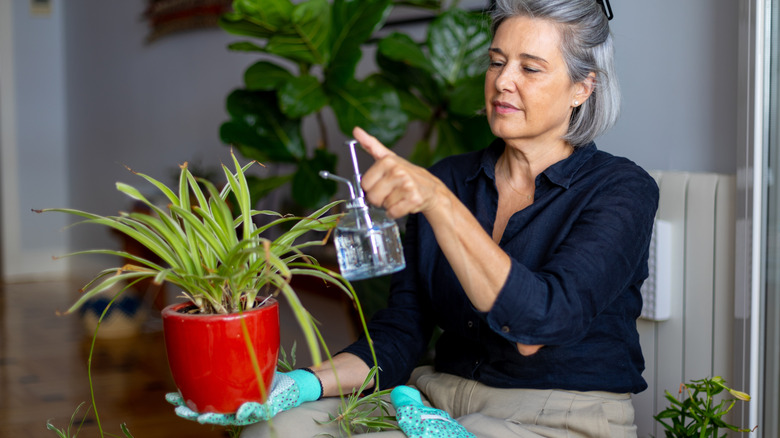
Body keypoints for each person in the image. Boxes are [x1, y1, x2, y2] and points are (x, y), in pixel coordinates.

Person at [170, 0, 658, 436]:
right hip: (434, 400)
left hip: (559, 416)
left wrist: (440, 204)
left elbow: (538, 325)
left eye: (530, 68)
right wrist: (297, 385)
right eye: (496, 62)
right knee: (278, 429)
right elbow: (402, 333)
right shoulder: (450, 177)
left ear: (582, 87)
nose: (503, 81)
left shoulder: (621, 191)